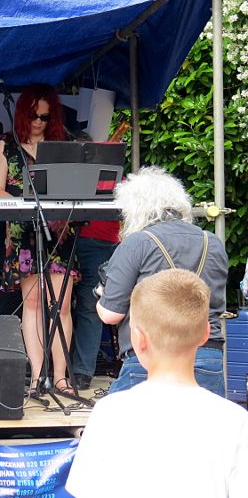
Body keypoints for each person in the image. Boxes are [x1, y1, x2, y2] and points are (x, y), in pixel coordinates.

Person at [66, 269, 248, 497]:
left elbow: (85, 490)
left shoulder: (110, 412)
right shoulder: (234, 420)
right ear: (206, 334)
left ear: (138, 339)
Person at [97, 166, 227, 396]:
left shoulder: (137, 243)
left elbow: (110, 314)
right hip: (208, 355)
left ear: (135, 209)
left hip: (150, 358)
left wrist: (100, 294)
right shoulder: (213, 242)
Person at [0, 83, 77, 395]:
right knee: (34, 302)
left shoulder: (62, 145)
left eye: (45, 116)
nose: (39, 121)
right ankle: (39, 376)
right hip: (22, 231)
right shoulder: (7, 144)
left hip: (59, 230)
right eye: (34, 115)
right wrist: (24, 204)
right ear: (23, 113)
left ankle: (62, 377)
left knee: (62, 303)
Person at [71, 221, 120, 390]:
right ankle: (82, 370)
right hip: (88, 238)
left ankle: (83, 370)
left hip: (120, 239)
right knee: (90, 303)